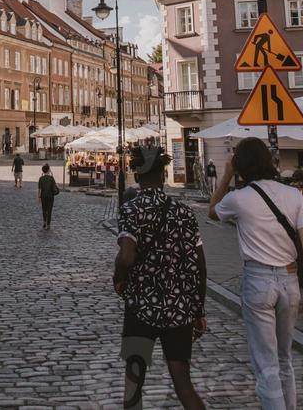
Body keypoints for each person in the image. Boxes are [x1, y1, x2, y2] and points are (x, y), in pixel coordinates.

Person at [210, 137, 303, 410]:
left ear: (241, 165)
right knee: (285, 358)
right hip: (290, 279)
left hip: (258, 281)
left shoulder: (238, 199)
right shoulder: (293, 195)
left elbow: (212, 211)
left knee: (266, 362)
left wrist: (226, 176)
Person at [114, 146, 207, 410]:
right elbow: (200, 264)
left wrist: (118, 277)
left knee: (134, 380)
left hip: (141, 308)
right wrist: (198, 308)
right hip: (178, 310)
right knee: (183, 382)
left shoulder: (131, 209)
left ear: (137, 175)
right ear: (164, 173)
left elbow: (126, 257)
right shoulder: (184, 213)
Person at [38, 163, 59, 229]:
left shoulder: (41, 178)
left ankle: (44, 222)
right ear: (48, 170)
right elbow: (55, 186)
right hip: (50, 196)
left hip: (43, 196)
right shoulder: (51, 178)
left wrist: (39, 198)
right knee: (49, 210)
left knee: (44, 209)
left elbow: (39, 189)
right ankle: (48, 225)